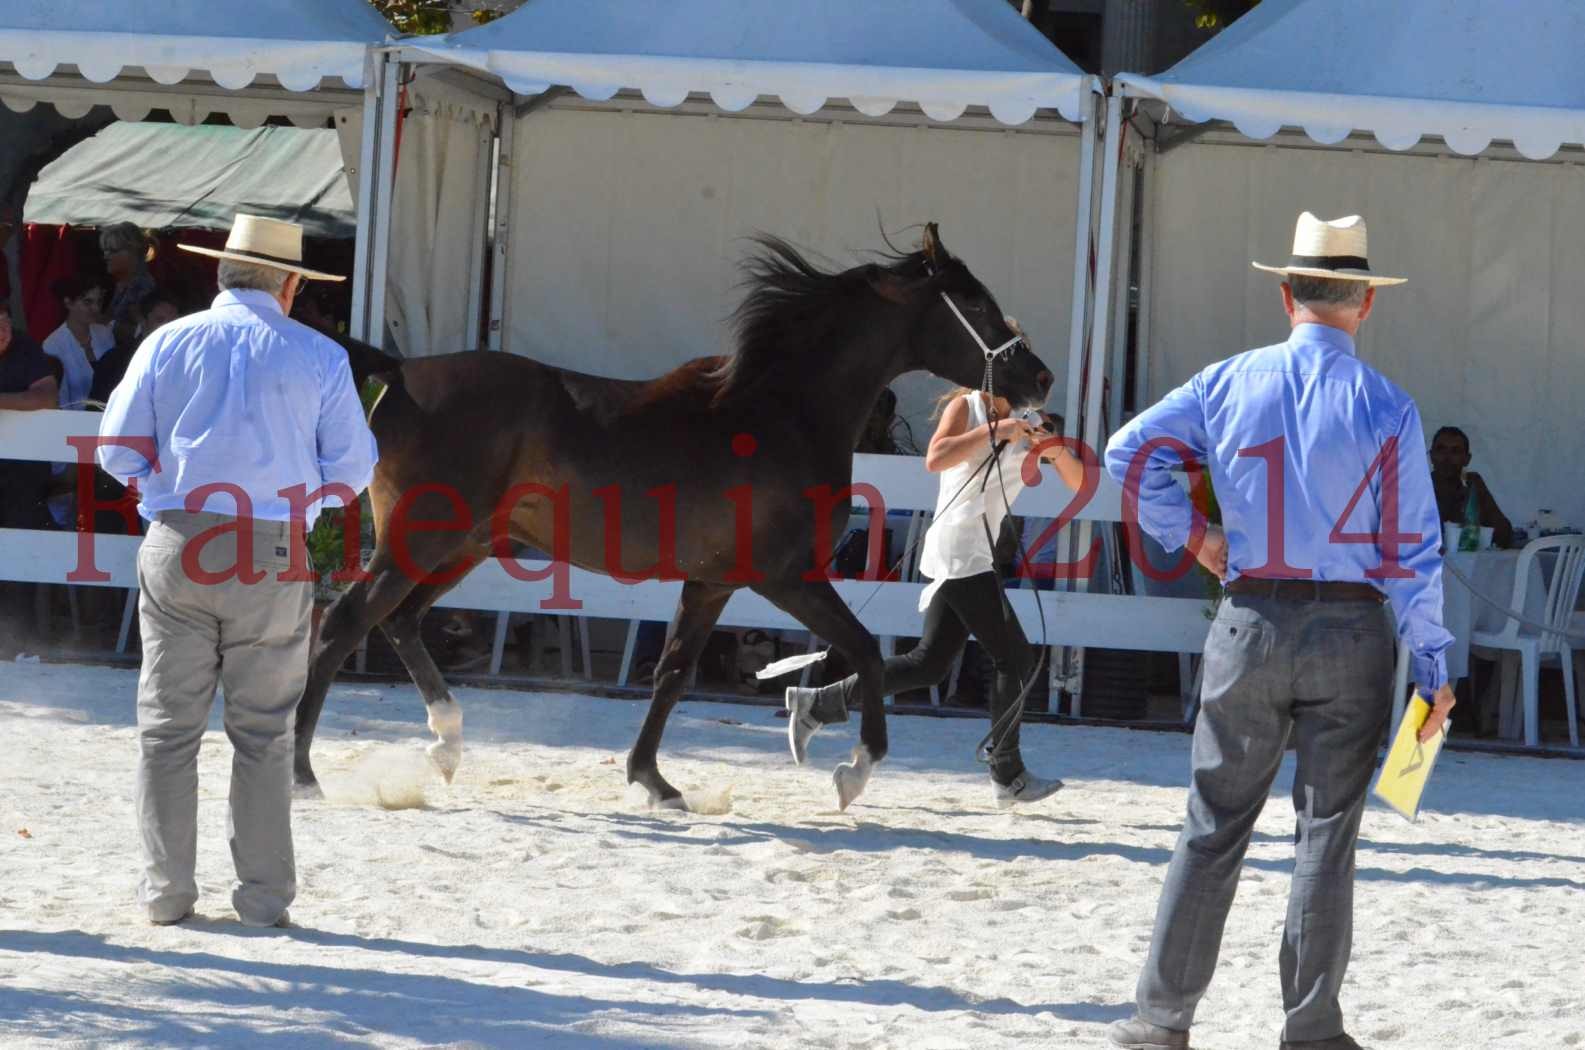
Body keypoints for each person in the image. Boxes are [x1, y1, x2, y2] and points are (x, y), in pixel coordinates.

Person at [1102, 213, 1456, 1050]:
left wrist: (1194, 535)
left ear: (1283, 293)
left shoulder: (1226, 381)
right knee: (1326, 833)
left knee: (1211, 822)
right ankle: (1311, 1027)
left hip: (1250, 619)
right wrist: (1434, 664)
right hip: (1351, 630)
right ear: (1364, 303)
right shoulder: (1387, 405)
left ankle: (1160, 1020)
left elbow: (1126, 453)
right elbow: (1413, 549)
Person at [98, 214, 377, 928]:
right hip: (273, 543)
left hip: (179, 537)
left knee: (167, 729)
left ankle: (165, 893)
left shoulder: (168, 340)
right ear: (287, 285)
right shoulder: (317, 354)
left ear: (223, 273)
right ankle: (262, 899)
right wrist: (303, 501)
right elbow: (351, 467)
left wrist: (161, 479)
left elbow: (116, 450)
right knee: (263, 729)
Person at [784, 387, 1086, 807]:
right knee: (1015, 657)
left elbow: (1078, 480)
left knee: (928, 663)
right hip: (960, 550)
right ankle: (1008, 773)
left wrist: (1050, 445)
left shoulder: (1027, 420)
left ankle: (819, 702)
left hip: (977, 553)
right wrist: (997, 429)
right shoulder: (967, 408)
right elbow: (936, 457)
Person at [0, 300, 60, 659]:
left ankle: (17, 641)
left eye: (5, 320)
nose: (3, 329)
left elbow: (46, 397)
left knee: (19, 549)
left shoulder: (25, 346)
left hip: (21, 473)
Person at [1429, 425, 1513, 548]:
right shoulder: (1420, 486)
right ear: (1431, 456)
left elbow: (1505, 534)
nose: (1447, 458)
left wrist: (1475, 497)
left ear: (1467, 459)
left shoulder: (1472, 484)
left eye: (1455, 451)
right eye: (1441, 450)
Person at [99, 222, 158, 348]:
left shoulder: (144, 288)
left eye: (112, 251)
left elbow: (143, 333)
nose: (106, 256)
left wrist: (104, 323)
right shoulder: (121, 285)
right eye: (105, 251)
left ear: (133, 252)